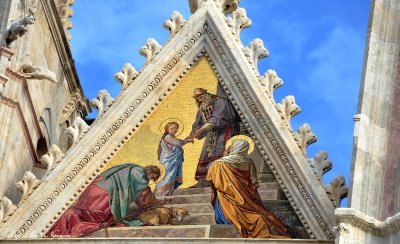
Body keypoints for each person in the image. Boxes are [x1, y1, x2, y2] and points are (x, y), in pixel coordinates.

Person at [46, 163, 165, 238]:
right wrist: (155, 204)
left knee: (79, 213)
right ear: (150, 172)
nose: (149, 180)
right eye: (152, 178)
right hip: (103, 195)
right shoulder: (138, 173)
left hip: (93, 189)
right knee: (103, 218)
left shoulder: (130, 166)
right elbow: (143, 191)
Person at [206, 136, 291, 238]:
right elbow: (253, 183)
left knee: (231, 210)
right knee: (260, 216)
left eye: (231, 147)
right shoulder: (249, 162)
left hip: (228, 198)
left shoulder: (219, 164)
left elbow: (214, 180)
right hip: (247, 199)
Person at [187, 88, 240, 187]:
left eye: (200, 96)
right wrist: (193, 134)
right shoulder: (203, 106)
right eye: (196, 98)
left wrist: (202, 129)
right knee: (207, 155)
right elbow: (197, 123)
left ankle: (220, 180)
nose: (199, 99)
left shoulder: (221, 102)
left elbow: (217, 118)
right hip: (212, 134)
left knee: (221, 153)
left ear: (206, 94)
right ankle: (204, 181)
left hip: (226, 130)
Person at [154, 121, 193, 196]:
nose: (174, 130)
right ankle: (161, 193)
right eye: (172, 128)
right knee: (168, 177)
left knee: (171, 177)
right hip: (169, 161)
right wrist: (187, 141)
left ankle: (167, 193)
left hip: (173, 161)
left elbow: (177, 143)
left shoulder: (171, 137)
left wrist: (185, 140)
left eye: (176, 128)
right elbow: (178, 143)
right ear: (167, 130)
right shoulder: (168, 137)